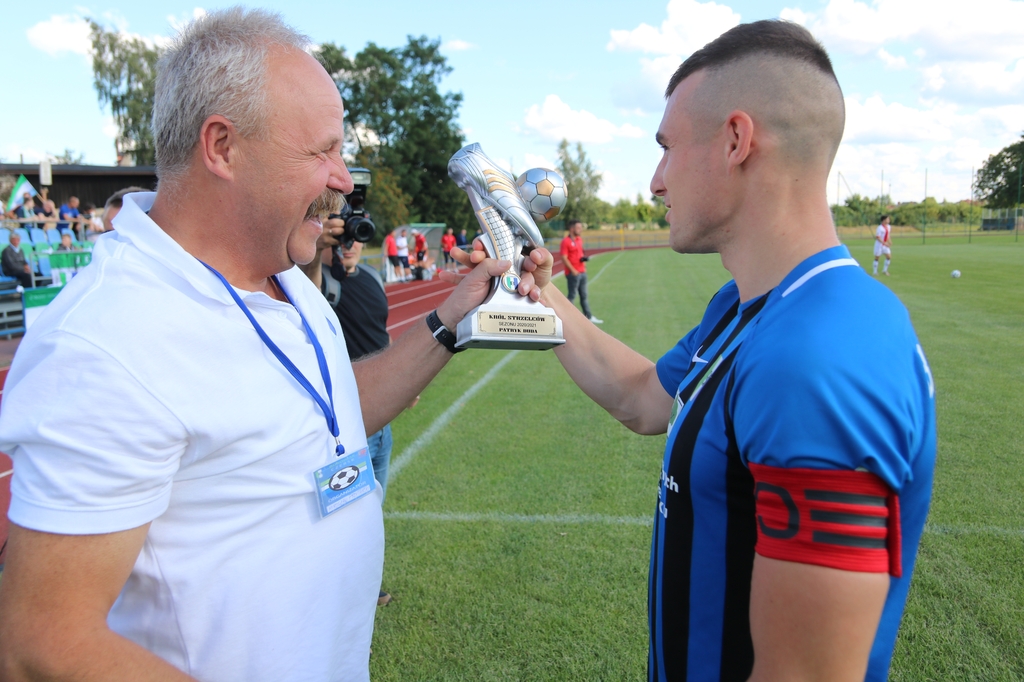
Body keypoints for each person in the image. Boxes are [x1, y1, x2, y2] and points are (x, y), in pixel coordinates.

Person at [0, 9, 547, 682]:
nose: (343, 178)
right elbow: (40, 646)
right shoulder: (106, 340)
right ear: (222, 147)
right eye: (322, 152)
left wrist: (450, 322)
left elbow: (327, 415)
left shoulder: (282, 273)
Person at [532, 21, 935, 681]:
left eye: (666, 148)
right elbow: (640, 398)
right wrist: (539, 292)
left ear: (736, 141)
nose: (656, 181)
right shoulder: (746, 306)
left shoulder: (819, 354)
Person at [301, 218, 404, 607]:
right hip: (346, 422)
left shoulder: (373, 278)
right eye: (343, 237)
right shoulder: (319, 280)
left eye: (358, 236)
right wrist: (316, 250)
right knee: (343, 516)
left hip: (381, 420)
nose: (351, 244)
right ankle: (335, 591)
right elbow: (309, 294)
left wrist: (399, 381)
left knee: (369, 512)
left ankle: (363, 583)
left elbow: (382, 332)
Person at [560, 219, 602, 324]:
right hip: (573, 274)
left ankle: (589, 316)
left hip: (582, 271)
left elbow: (579, 254)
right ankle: (567, 319)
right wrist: (573, 270)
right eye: (578, 228)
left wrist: (583, 261)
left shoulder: (579, 239)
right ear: (572, 229)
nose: (581, 230)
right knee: (572, 296)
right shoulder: (566, 241)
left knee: (584, 295)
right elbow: (564, 258)